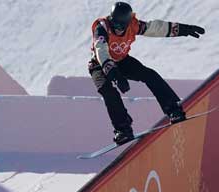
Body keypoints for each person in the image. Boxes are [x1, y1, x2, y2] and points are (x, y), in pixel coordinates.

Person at [88, 2, 205, 145]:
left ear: (127, 23)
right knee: (108, 91)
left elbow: (156, 28)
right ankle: (123, 129)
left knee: (150, 75)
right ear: (111, 20)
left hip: (122, 61)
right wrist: (114, 74)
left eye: (121, 27)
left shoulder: (133, 25)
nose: (118, 30)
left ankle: (173, 109)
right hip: (99, 65)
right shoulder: (102, 28)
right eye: (115, 26)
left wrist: (183, 29)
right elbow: (101, 51)